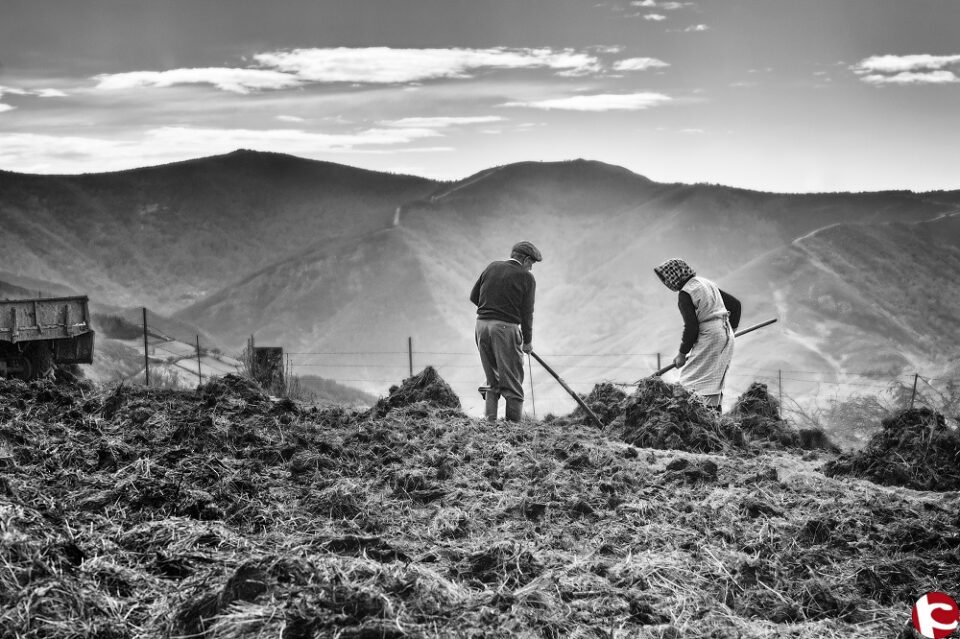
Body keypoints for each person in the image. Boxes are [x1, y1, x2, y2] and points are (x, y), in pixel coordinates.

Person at [654, 258, 741, 412]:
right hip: (724, 333)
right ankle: (713, 419)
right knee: (712, 382)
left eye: (667, 279)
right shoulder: (705, 283)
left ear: (675, 275)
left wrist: (682, 354)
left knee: (689, 383)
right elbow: (735, 305)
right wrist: (729, 332)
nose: (667, 283)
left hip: (710, 336)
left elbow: (691, 327)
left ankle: (699, 420)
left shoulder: (685, 293)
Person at [470, 241, 542, 421]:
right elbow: (527, 314)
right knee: (512, 382)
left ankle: (489, 423)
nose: (531, 268)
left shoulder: (492, 267)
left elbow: (474, 296)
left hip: (481, 326)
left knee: (492, 378)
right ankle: (513, 431)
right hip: (504, 330)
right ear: (525, 260)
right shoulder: (527, 278)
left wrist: (492, 309)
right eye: (531, 264)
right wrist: (527, 341)